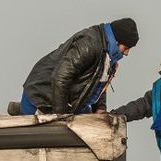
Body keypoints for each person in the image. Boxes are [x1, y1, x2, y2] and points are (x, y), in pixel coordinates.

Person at [8, 18, 139, 115]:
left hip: (73, 103)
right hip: (42, 98)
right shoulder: (89, 44)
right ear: (116, 40)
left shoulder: (109, 55)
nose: (126, 53)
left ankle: (19, 110)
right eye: (126, 47)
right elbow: (60, 78)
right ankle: (21, 110)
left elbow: (99, 82)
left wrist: (100, 109)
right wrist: (61, 118)